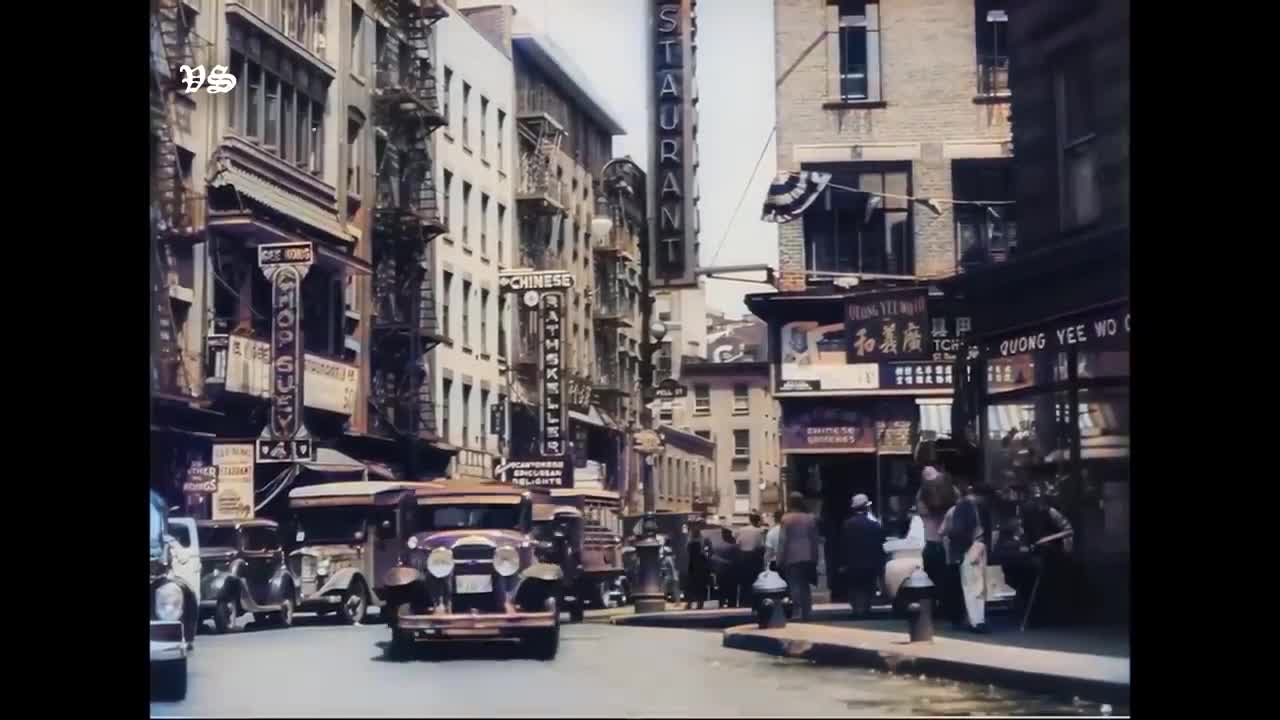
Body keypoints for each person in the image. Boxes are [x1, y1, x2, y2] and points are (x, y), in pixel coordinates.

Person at [941, 481, 991, 633]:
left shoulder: (962, 506)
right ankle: (978, 619)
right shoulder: (984, 505)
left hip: (968, 548)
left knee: (970, 585)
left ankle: (975, 621)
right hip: (981, 545)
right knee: (979, 585)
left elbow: (957, 531)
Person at [917, 466, 958, 616]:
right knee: (951, 580)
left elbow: (923, 513)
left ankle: (938, 609)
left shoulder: (922, 495)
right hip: (949, 544)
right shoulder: (952, 492)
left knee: (934, 580)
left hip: (932, 542)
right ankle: (950, 609)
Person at [840, 494, 887, 619]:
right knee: (867, 586)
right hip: (870, 561)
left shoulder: (848, 524)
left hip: (853, 561)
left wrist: (843, 562)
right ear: (867, 508)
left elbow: (844, 544)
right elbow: (881, 541)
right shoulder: (874, 525)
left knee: (855, 586)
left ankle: (856, 609)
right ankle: (865, 609)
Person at [777, 492, 820, 621]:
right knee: (805, 585)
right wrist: (815, 557)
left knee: (794, 584)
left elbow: (783, 540)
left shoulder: (786, 519)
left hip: (792, 555)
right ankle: (808, 611)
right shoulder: (811, 518)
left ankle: (797, 611)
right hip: (808, 555)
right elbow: (814, 539)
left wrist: (779, 558)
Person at [710, 526, 741, 608]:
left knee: (723, 589)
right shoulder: (734, 544)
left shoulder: (717, 544)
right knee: (730, 589)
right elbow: (738, 557)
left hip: (723, 570)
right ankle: (730, 604)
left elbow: (713, 557)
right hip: (730, 570)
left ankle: (723, 603)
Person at [684, 528, 712, 610]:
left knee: (699, 584)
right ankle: (691, 603)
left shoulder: (704, 539)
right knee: (692, 584)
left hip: (699, 563)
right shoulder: (690, 539)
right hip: (694, 563)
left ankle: (699, 603)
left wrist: (706, 556)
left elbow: (711, 550)